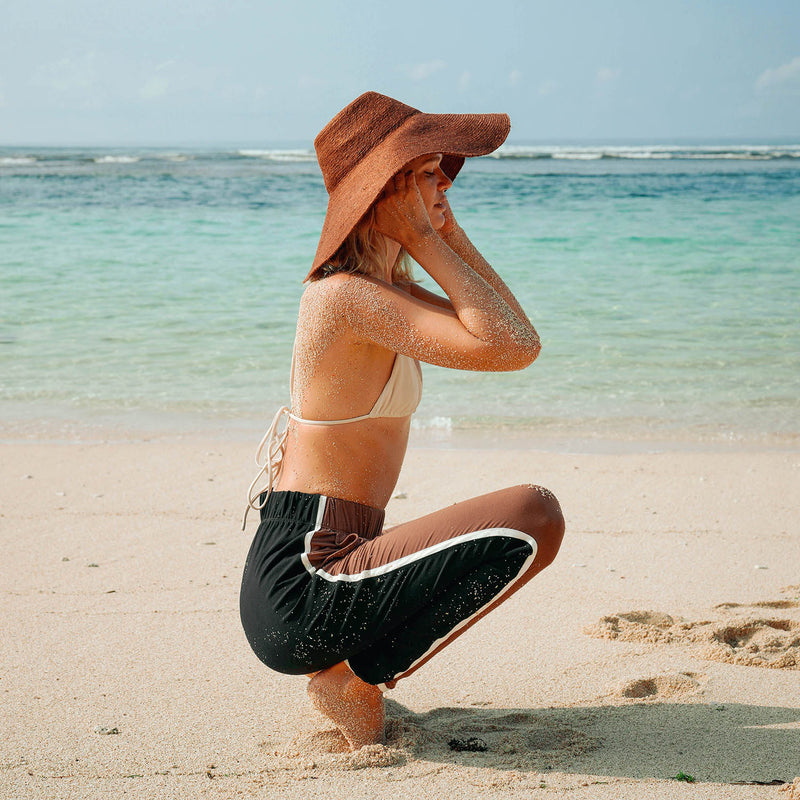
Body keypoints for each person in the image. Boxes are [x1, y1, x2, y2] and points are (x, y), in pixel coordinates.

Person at [239, 91, 565, 751]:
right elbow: (508, 347)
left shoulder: (385, 291)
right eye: (424, 172)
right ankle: (355, 678)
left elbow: (513, 333)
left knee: (531, 520)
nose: (445, 179)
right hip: (309, 573)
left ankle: (354, 675)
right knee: (533, 515)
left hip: (333, 564)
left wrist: (441, 229)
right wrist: (423, 233)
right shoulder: (344, 298)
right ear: (382, 193)